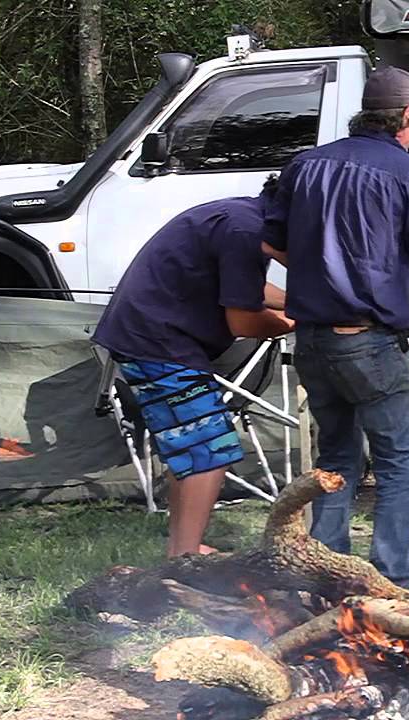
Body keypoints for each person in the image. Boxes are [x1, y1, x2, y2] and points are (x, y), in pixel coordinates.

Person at [261, 67, 409, 589]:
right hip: (369, 341)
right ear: (407, 115)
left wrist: (324, 271)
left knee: (336, 457)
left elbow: (270, 243)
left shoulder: (304, 165)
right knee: (401, 461)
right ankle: (395, 578)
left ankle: (324, 574)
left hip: (311, 338)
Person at [93, 176, 294, 558]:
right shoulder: (245, 231)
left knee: (190, 445)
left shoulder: (242, 216)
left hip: (148, 334)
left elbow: (244, 287)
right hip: (157, 340)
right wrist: (292, 323)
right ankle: (185, 556)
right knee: (210, 446)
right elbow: (244, 322)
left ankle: (182, 548)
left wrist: (299, 299)